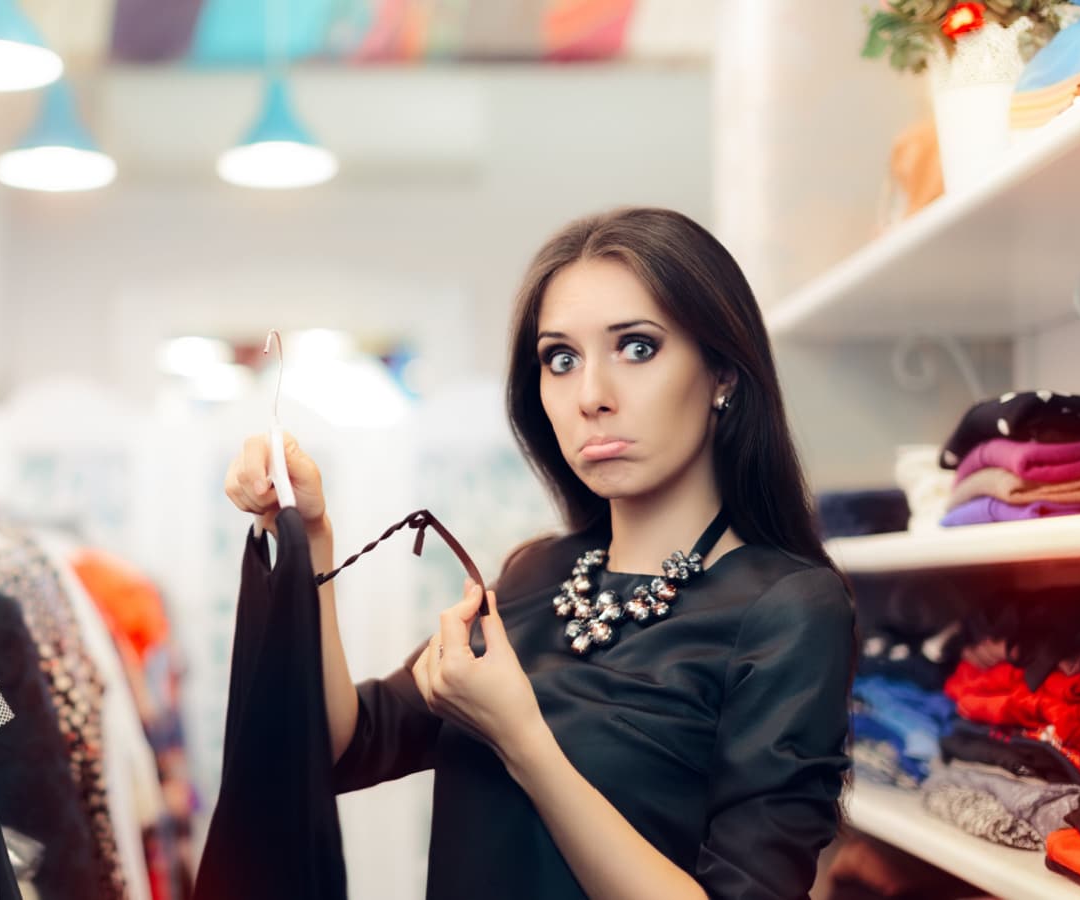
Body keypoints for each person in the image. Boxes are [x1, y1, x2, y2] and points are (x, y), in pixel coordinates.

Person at [223, 207, 854, 900]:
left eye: (637, 347)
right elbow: (347, 745)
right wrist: (313, 535)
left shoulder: (789, 609)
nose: (592, 396)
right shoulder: (537, 572)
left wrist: (523, 740)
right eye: (562, 358)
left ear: (723, 375)